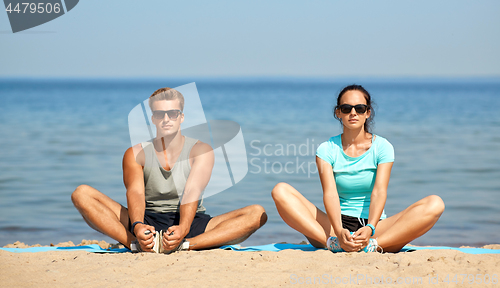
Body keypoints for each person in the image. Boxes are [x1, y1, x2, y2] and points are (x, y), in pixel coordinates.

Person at [72, 87, 267, 252]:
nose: (166, 119)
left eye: (172, 113)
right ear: (153, 119)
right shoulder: (135, 153)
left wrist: (183, 228)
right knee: (81, 194)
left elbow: (192, 191)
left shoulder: (201, 150)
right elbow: (136, 192)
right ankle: (133, 244)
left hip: (190, 220)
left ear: (181, 117)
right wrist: (137, 225)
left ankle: (186, 245)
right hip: (146, 219)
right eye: (160, 114)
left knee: (257, 214)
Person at [271, 84, 444, 253]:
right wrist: (338, 232)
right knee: (280, 191)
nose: (353, 113)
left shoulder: (383, 147)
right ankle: (332, 243)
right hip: (334, 226)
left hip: (374, 227)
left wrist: (370, 228)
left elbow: (379, 192)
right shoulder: (326, 149)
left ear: (367, 113)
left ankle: (373, 246)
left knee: (435, 204)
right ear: (338, 113)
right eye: (346, 108)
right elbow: (330, 194)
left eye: (360, 108)